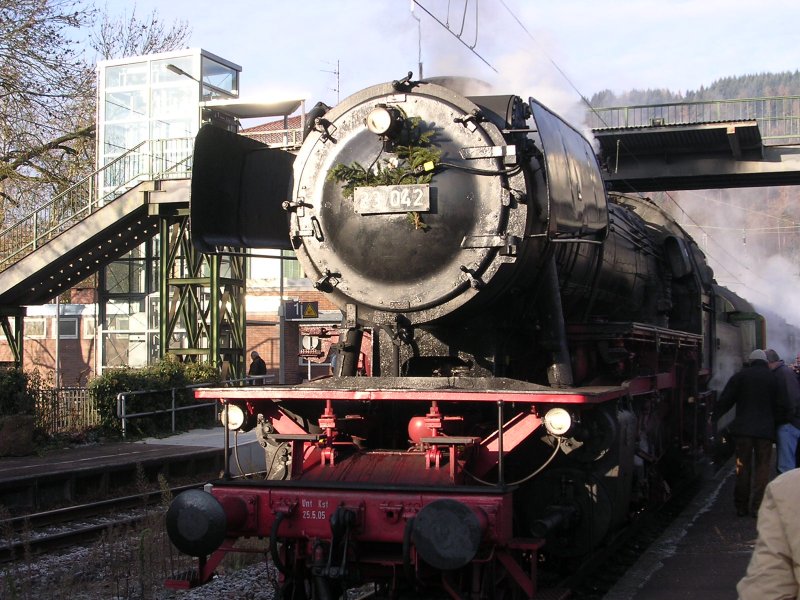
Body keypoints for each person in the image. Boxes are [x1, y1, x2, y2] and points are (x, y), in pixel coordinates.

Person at [714, 349, 778, 516]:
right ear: (765, 361)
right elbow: (782, 404)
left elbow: (726, 400)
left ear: (750, 361)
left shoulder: (740, 377)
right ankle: (758, 507)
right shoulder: (773, 378)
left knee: (742, 468)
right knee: (762, 469)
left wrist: (713, 418)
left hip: (743, 432)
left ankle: (741, 506)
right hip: (765, 432)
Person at [737, 468, 800, 598]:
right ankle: (753, 506)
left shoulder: (788, 489)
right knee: (762, 463)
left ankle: (743, 505)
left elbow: (767, 588)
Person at [766, 348, 800, 473]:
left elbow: (792, 399)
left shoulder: (782, 374)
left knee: (786, 466)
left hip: (789, 424)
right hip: (791, 422)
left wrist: (787, 419)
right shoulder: (785, 372)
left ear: (768, 362)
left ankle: (788, 491)